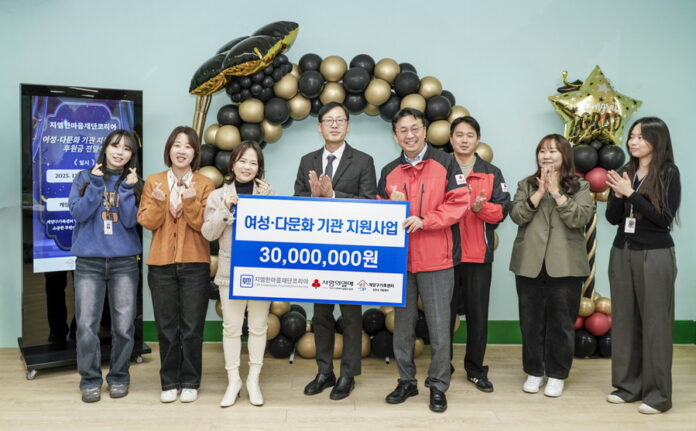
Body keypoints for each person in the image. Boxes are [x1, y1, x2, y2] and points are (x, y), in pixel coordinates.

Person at [379, 108, 468, 413]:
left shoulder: (446, 163)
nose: (410, 135)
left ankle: (438, 385)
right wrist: (390, 209)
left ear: (425, 130)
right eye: (403, 130)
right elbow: (378, 214)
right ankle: (406, 381)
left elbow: (459, 203)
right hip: (401, 263)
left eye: (415, 128)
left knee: (440, 328)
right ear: (395, 136)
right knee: (402, 327)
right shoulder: (389, 171)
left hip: (437, 259)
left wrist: (425, 220)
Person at [294, 102, 378, 400]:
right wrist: (313, 197)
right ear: (319, 126)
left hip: (350, 251)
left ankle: (348, 375)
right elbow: (297, 202)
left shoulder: (363, 161)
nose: (334, 125)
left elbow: (369, 203)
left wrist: (332, 195)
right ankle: (324, 371)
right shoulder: (307, 160)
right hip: (318, 251)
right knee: (321, 314)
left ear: (347, 126)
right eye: (328, 120)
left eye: (339, 120)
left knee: (351, 315)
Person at [604, 117, 681, 414]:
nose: (632, 142)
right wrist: (617, 194)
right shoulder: (626, 170)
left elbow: (664, 219)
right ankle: (628, 387)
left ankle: (658, 395)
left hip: (655, 253)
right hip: (622, 250)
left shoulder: (669, 172)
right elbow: (613, 218)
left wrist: (631, 194)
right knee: (624, 320)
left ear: (656, 140)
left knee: (655, 324)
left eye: (640, 137)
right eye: (632, 136)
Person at [509, 134, 594, 398]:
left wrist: (556, 192)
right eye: (542, 151)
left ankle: (557, 374)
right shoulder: (526, 184)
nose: (546, 156)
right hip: (529, 263)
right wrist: (540, 192)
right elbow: (516, 215)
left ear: (564, 155)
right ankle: (534, 371)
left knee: (561, 322)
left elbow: (579, 218)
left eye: (553, 151)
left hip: (566, 264)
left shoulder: (580, 186)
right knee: (530, 321)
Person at [137, 126, 214, 403]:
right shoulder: (154, 182)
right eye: (177, 145)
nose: (181, 151)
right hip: (161, 265)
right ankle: (169, 381)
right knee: (166, 327)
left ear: (195, 153)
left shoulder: (205, 184)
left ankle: (190, 380)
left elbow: (204, 226)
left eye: (188, 146)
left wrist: (190, 200)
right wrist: (159, 204)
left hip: (195, 264)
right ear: (169, 149)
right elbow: (146, 221)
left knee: (192, 328)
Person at [68, 129, 142, 403]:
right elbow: (78, 213)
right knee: (87, 326)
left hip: (124, 263)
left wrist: (126, 190)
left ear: (132, 155)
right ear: (105, 148)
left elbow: (130, 221)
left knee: (123, 326)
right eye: (115, 146)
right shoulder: (85, 177)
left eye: (127, 148)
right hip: (89, 263)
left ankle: (119, 377)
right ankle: (90, 380)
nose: (120, 152)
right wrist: (97, 185)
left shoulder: (135, 183)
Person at [202, 141, 274, 407]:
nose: (247, 167)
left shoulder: (267, 193)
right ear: (232, 164)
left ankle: (254, 379)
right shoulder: (218, 195)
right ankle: (234, 381)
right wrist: (226, 208)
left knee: (258, 326)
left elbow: (276, 233)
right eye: (242, 161)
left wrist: (267, 202)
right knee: (231, 327)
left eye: (253, 163)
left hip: (259, 271)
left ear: (259, 168)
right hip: (229, 271)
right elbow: (208, 233)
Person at [448, 116, 510, 392]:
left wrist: (480, 209)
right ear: (451, 138)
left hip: (477, 255)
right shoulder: (441, 167)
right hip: (445, 255)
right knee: (443, 316)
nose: (464, 140)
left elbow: (502, 211)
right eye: (459, 135)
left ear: (478, 139)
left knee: (477, 316)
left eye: (470, 135)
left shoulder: (491, 172)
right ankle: (442, 366)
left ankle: (475, 369)